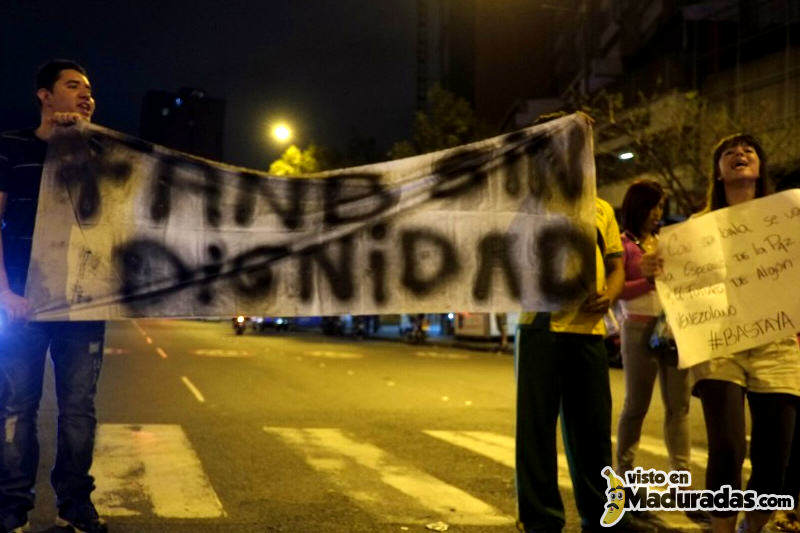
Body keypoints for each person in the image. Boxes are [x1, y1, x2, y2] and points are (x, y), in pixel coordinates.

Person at [642, 134, 800, 533]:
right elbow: (675, 279)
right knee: (728, 447)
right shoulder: (696, 227)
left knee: (774, 457)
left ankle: (751, 529)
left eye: (749, 150)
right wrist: (654, 266)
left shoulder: (789, 217)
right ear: (718, 171)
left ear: (761, 166)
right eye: (728, 152)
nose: (739, 155)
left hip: (777, 345)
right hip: (718, 344)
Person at [0, 60, 108, 533]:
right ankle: (11, 508)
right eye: (73, 86)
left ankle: (75, 504)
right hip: (23, 303)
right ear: (44, 95)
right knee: (17, 407)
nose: (86, 94)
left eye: (89, 89)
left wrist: (78, 143)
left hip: (82, 304)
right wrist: (4, 293)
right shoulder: (12, 147)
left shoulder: (98, 151)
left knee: (79, 409)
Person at [515, 193, 655, 533]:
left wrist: (609, 294)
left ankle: (602, 515)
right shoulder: (531, 203)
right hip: (540, 325)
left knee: (592, 431)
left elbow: (616, 268)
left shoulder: (602, 208)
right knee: (536, 430)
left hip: (589, 331)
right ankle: (541, 520)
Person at [614, 180, 691, 478]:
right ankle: (624, 473)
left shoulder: (666, 240)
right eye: (653, 205)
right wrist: (647, 280)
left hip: (674, 329)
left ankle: (680, 479)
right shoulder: (623, 243)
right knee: (636, 405)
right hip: (638, 328)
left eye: (661, 206)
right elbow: (617, 289)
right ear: (638, 206)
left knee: (679, 407)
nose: (658, 212)